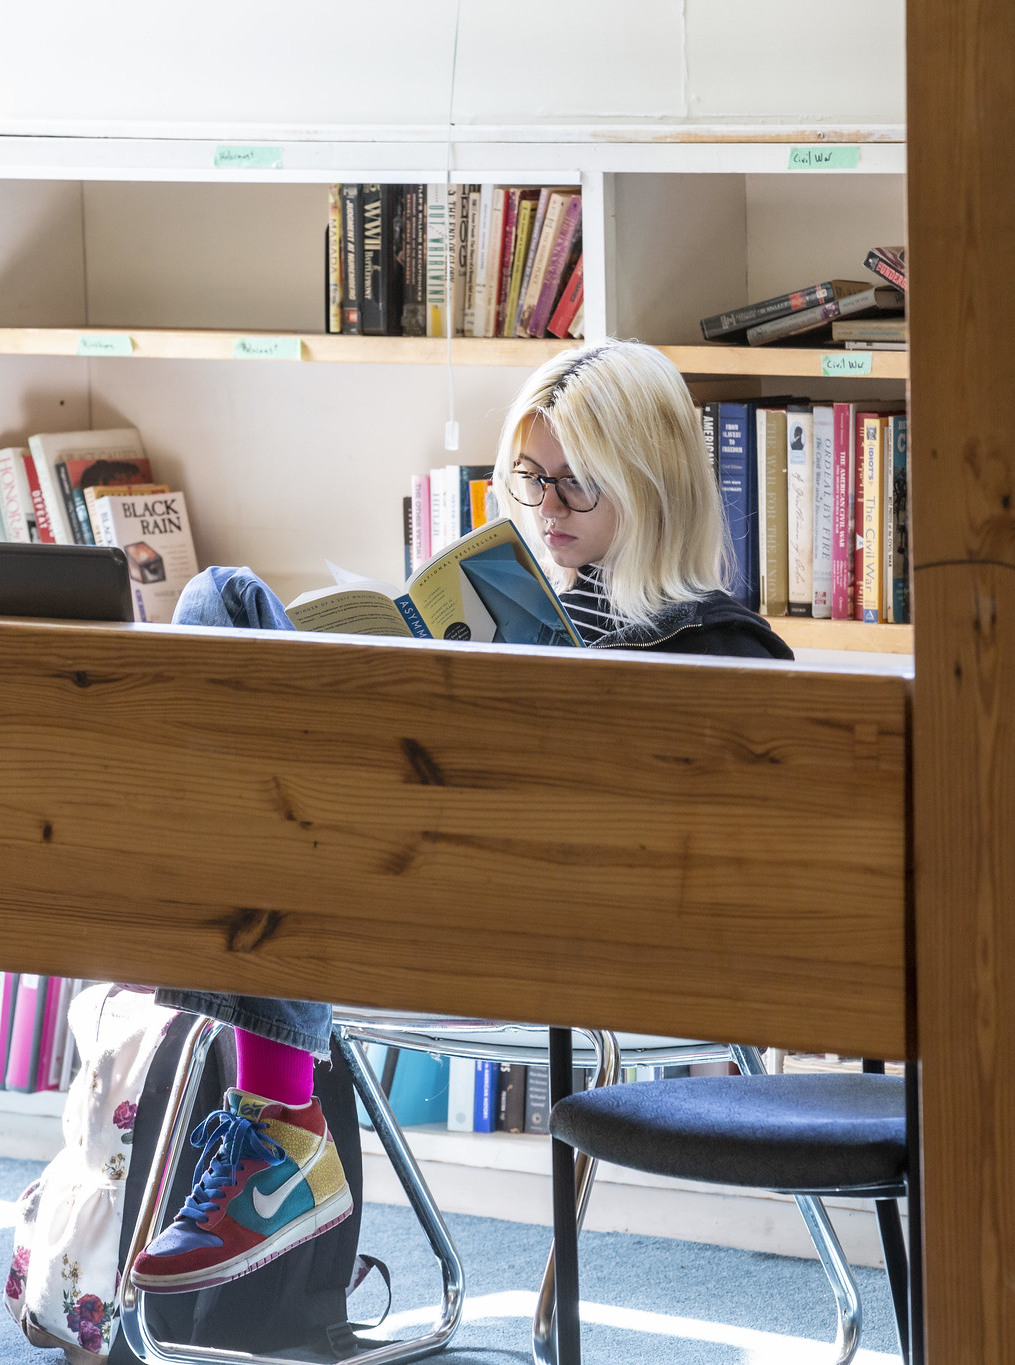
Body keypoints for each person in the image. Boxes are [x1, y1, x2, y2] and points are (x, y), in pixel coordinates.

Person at [128, 339, 792, 1295]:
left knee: (269, 800)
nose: (549, 510)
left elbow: (726, 864)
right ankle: (278, 1125)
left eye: (579, 484)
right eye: (532, 479)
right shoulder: (539, 608)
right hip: (442, 871)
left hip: (569, 922)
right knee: (217, 600)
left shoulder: (721, 645)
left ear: (654, 486)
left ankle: (280, 1131)